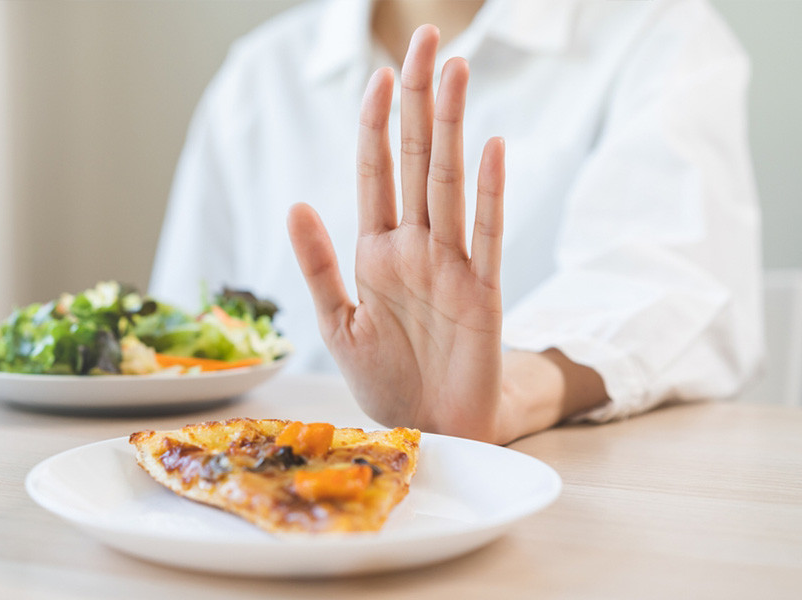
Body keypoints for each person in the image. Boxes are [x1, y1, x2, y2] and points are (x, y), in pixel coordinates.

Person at [149, 0, 763, 444]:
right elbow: (178, 337)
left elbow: (674, 286)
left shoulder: (661, 34)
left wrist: (505, 396)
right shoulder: (259, 75)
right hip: (263, 502)